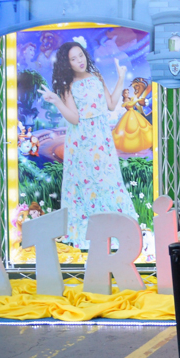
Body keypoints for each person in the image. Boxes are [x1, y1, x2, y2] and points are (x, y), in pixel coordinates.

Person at [39, 40, 138, 249]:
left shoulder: (96, 77)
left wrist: (120, 78)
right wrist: (56, 100)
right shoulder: (68, 86)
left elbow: (111, 105)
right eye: (73, 59)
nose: (79, 61)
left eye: (80, 56)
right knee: (86, 184)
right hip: (82, 141)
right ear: (68, 64)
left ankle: (117, 230)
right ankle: (89, 233)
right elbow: (74, 119)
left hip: (101, 138)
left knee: (108, 180)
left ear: (85, 55)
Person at [112, 78, 154, 154]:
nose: (128, 94)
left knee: (143, 128)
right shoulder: (125, 101)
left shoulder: (149, 89)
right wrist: (137, 101)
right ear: (123, 95)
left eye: (128, 92)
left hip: (138, 114)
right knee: (130, 130)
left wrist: (138, 101)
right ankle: (133, 145)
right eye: (126, 93)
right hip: (130, 115)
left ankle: (150, 143)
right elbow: (130, 105)